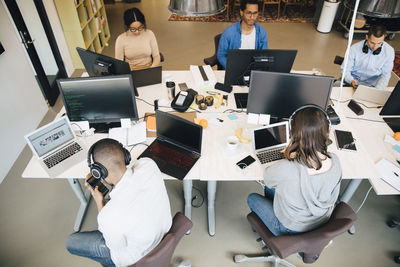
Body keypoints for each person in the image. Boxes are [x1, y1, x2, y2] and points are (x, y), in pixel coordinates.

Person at [66, 138, 172, 267]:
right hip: (162, 237)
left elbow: (114, 246)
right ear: (126, 156)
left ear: (98, 172)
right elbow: (129, 172)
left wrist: (100, 202)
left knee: (71, 242)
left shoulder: (108, 217)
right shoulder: (149, 164)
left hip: (136, 258)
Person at [247, 106, 342, 236]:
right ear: (326, 133)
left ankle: (274, 233)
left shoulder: (287, 168)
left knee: (252, 198)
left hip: (289, 227)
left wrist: (288, 156)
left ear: (293, 133)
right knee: (275, 188)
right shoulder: (335, 161)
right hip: (321, 221)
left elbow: (268, 179)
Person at [217, 0, 268, 69]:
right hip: (233, 69)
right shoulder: (229, 32)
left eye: (255, 13)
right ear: (241, 12)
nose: (252, 17)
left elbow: (264, 56)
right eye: (248, 13)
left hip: (252, 71)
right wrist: (231, 68)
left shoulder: (262, 32)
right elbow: (221, 55)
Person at [341, 24, 395, 90]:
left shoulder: (389, 52)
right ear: (367, 37)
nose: (375, 47)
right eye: (372, 43)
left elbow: (385, 75)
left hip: (369, 87)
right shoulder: (354, 48)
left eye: (379, 43)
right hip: (349, 83)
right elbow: (345, 69)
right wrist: (351, 80)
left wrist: (378, 90)